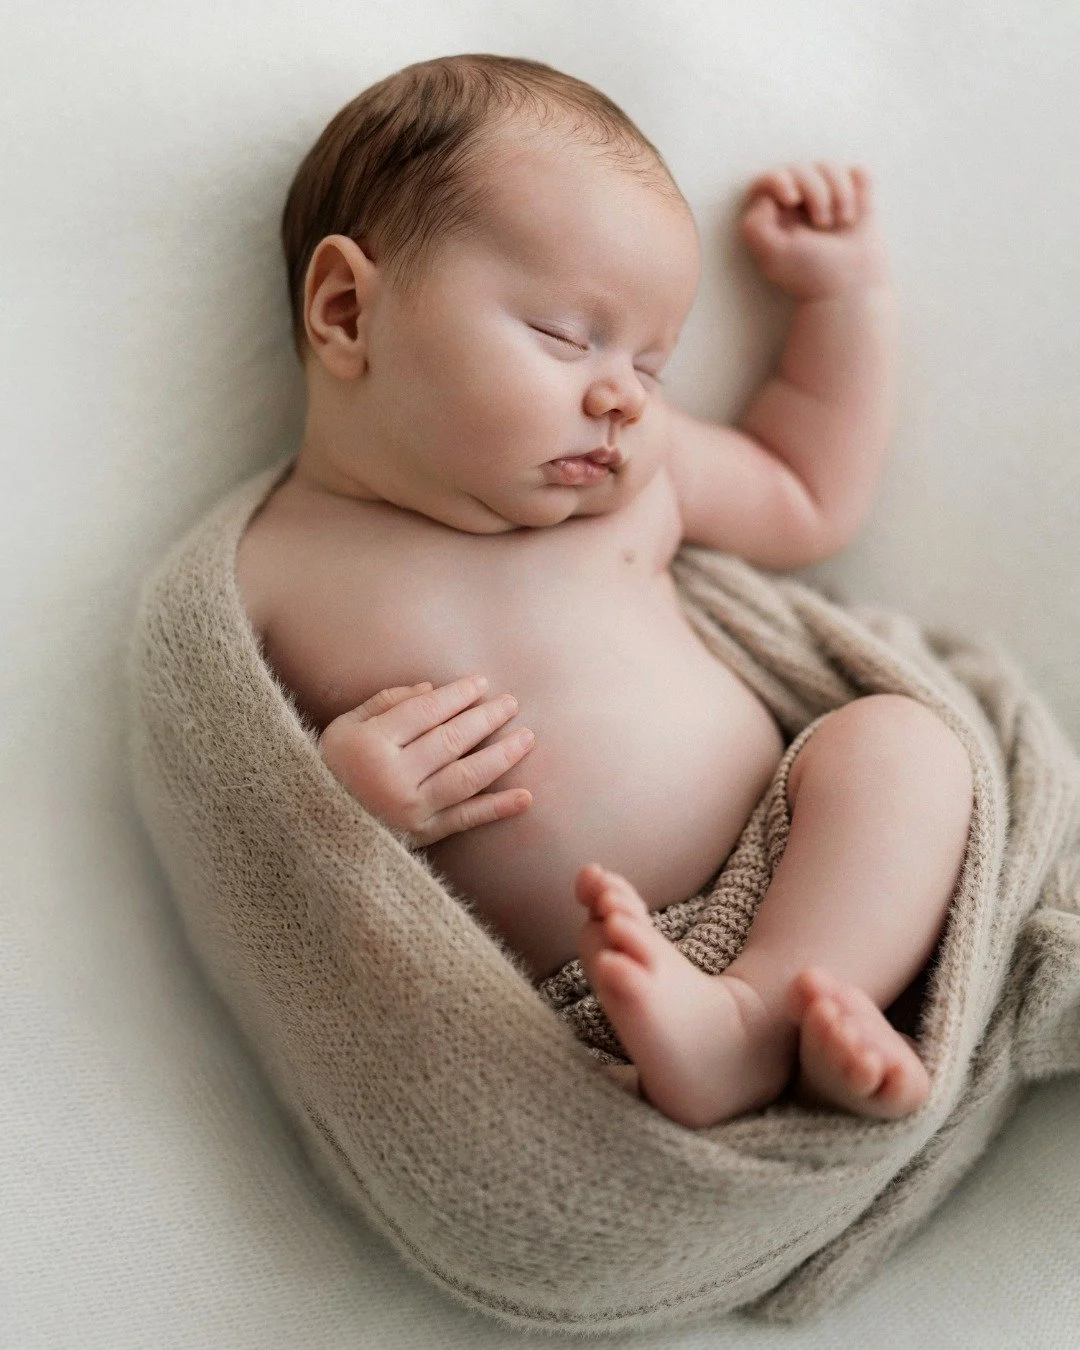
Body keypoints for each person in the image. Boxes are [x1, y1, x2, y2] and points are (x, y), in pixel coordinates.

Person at [236, 54, 974, 1129]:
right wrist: (336, 804)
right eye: (565, 336)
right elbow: (236, 846)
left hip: (787, 866)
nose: (624, 395)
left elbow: (805, 490)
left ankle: (771, 1013)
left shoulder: (635, 482)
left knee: (906, 746)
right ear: (347, 310)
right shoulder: (264, 576)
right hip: (563, 1006)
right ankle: (759, 1046)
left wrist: (842, 296)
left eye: (653, 365)